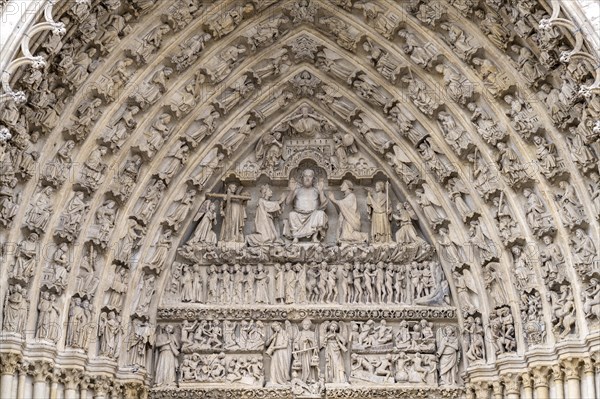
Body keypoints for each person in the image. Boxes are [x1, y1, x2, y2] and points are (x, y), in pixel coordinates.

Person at [284, 169, 328, 242]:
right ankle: (296, 237)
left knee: (321, 214)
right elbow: (287, 202)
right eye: (305, 176)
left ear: (313, 179)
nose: (307, 179)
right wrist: (292, 190)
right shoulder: (297, 190)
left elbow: (324, 204)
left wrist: (321, 191)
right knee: (292, 214)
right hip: (299, 215)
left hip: (313, 215)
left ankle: (314, 237)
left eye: (310, 176)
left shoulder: (316, 190)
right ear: (302, 178)